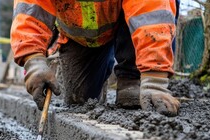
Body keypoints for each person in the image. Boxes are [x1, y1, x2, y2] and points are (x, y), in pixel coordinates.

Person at [11, 0, 180, 116]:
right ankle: (102, 64)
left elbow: (151, 15)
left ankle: (131, 77)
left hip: (127, 26)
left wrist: (154, 80)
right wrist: (33, 60)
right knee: (79, 101)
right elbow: (30, 9)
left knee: (132, 97)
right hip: (80, 36)